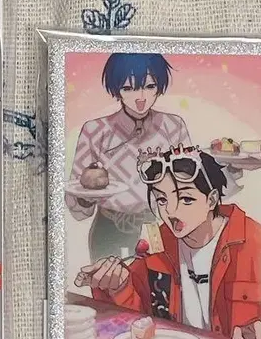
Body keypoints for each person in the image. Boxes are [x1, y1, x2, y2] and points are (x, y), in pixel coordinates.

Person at [77, 146, 261, 339]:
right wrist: (119, 285)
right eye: (162, 200)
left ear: (212, 200)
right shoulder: (157, 245)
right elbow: (138, 317)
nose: (171, 211)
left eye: (186, 199)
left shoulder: (255, 241)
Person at [68, 53, 191, 261]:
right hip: (110, 230)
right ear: (116, 89)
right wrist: (85, 200)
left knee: (161, 280)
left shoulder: (173, 126)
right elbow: (75, 201)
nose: (141, 97)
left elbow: (190, 181)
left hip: (159, 226)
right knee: (109, 281)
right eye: (128, 88)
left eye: (150, 86)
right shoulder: (95, 130)